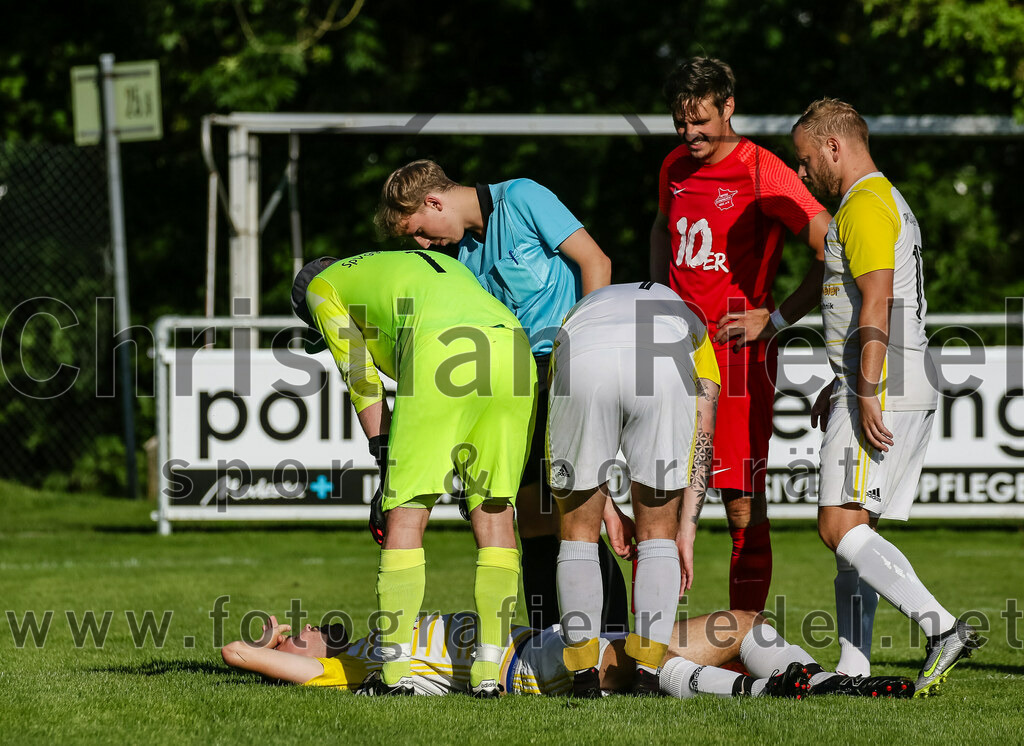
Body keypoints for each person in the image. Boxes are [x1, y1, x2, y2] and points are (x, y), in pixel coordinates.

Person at [375, 160, 628, 633]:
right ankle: (544, 643)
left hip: (566, 366)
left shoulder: (523, 197)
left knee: (576, 515)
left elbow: (597, 263)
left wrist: (583, 351)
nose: (424, 244)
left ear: (434, 202)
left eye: (420, 231)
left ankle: (610, 638)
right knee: (529, 516)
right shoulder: (462, 258)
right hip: (512, 385)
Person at [792, 98, 980, 695]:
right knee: (855, 530)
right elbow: (856, 302)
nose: (801, 175)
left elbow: (876, 303)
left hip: (886, 381)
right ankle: (854, 667)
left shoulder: (866, 203)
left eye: (803, 160)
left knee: (837, 526)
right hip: (888, 376)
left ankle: (944, 626)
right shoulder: (873, 201)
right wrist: (842, 379)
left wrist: (866, 390)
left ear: (832, 147)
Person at [291, 250, 537, 697]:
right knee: (496, 512)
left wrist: (385, 458)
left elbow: (360, 376)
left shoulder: (320, 288)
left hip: (440, 352)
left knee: (405, 512)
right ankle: (488, 675)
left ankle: (394, 673)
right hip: (512, 349)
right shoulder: (410, 260)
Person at [649, 57, 832, 613]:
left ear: (729, 106)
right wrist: (658, 299)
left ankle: (743, 639)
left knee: (740, 503)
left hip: (738, 356)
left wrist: (774, 319)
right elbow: (662, 227)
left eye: (700, 121)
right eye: (681, 123)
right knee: (653, 493)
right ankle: (645, 639)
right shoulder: (674, 166)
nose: (690, 134)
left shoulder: (762, 169)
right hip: (671, 351)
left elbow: (831, 247)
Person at [546, 282, 720, 696]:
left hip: (582, 360)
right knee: (658, 534)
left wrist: (602, 511)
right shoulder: (691, 317)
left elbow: (569, 442)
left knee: (577, 535)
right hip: (661, 369)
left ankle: (585, 675)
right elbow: (703, 437)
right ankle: (647, 672)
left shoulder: (578, 311)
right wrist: (687, 531)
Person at [221, 609, 915, 700]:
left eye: (296, 629)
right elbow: (236, 652)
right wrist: (268, 640)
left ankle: (826, 684)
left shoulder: (373, 630)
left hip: (542, 639)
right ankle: (768, 696)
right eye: (294, 638)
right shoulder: (351, 670)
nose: (301, 633)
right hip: (525, 665)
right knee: (628, 655)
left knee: (741, 624)